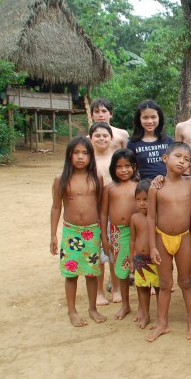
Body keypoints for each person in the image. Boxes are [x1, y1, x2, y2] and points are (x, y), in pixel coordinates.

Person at [146, 142, 191, 341]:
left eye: (187, 159)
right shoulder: (156, 187)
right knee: (165, 283)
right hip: (161, 237)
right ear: (165, 158)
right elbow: (150, 218)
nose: (182, 161)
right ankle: (162, 323)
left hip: (184, 238)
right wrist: (152, 247)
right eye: (178, 156)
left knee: (185, 282)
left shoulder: (190, 182)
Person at [50, 136, 106, 327]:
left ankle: (92, 308)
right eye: (76, 153)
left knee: (92, 273)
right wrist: (53, 235)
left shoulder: (97, 178)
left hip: (92, 231)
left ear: (91, 156)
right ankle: (72, 310)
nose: (80, 157)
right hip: (71, 232)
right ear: (69, 155)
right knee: (71, 273)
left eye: (85, 153)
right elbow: (56, 207)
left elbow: (101, 208)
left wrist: (103, 235)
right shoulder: (61, 180)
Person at [100, 148, 139, 321]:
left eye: (127, 166)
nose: (123, 170)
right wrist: (104, 237)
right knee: (121, 271)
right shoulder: (109, 189)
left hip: (137, 233)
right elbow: (103, 214)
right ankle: (125, 305)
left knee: (139, 268)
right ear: (113, 168)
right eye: (119, 166)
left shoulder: (139, 186)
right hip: (117, 234)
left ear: (134, 166)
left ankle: (143, 307)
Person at [89, 122, 117, 306]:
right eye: (97, 136)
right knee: (97, 254)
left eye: (105, 135)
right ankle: (99, 291)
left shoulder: (116, 158)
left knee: (115, 251)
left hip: (115, 211)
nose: (101, 139)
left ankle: (116, 288)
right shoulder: (87, 160)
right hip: (95, 212)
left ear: (111, 138)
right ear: (90, 138)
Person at [128, 179, 159, 329]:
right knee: (142, 288)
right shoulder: (135, 218)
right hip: (140, 258)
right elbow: (132, 240)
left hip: (156, 259)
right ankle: (145, 315)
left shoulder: (158, 217)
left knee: (159, 287)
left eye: (146, 199)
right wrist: (131, 258)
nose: (142, 203)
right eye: (138, 200)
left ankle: (160, 316)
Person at [127, 100, 173, 180]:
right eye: (145, 117)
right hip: (143, 185)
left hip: (167, 184)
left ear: (159, 118)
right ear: (139, 119)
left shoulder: (168, 141)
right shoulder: (132, 143)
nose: (149, 121)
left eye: (153, 117)